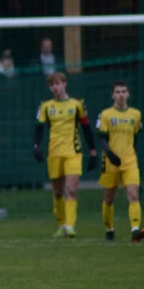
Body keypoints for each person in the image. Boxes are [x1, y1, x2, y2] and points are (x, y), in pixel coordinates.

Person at [34, 72, 96, 238]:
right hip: (54, 153)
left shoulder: (77, 104)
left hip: (73, 153)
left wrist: (93, 151)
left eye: (58, 83)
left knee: (71, 189)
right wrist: (36, 146)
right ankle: (61, 225)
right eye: (52, 85)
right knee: (58, 192)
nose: (55, 87)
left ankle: (70, 225)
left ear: (65, 84)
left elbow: (86, 128)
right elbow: (39, 128)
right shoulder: (46, 106)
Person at [97, 82, 144, 243]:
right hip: (111, 162)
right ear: (112, 95)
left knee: (133, 195)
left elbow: (136, 137)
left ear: (128, 94)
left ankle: (135, 230)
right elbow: (101, 138)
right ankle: (109, 229)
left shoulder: (135, 114)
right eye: (117, 92)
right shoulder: (105, 114)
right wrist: (110, 154)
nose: (120, 94)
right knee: (109, 198)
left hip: (130, 161)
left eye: (123, 91)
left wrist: (132, 154)